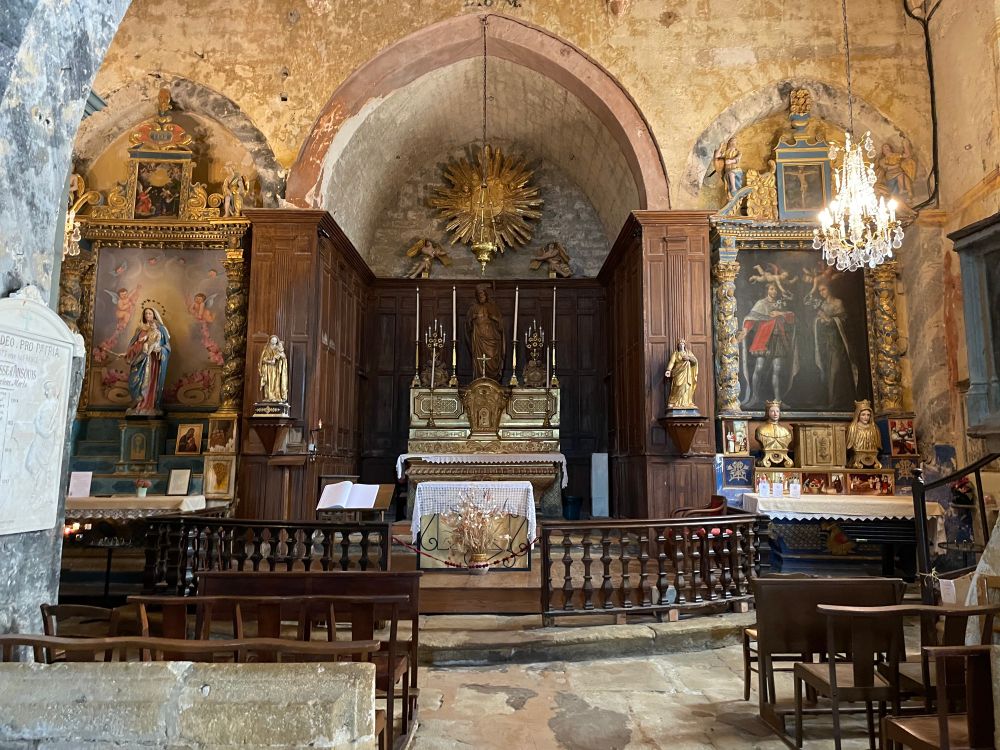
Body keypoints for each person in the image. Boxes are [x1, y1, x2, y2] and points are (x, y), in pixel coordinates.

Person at [740, 282, 797, 409]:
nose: (774, 292)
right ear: (767, 290)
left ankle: (778, 400)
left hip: (778, 339)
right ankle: (755, 397)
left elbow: (792, 317)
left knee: (777, 369)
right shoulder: (761, 304)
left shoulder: (781, 304)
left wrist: (780, 313)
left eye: (775, 289)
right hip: (764, 339)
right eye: (771, 289)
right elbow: (751, 319)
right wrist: (744, 331)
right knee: (759, 367)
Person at [807, 281, 858, 409]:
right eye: (820, 291)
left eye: (823, 289)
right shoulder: (822, 304)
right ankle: (830, 401)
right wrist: (820, 321)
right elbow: (817, 322)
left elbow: (844, 320)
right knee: (827, 371)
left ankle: (837, 400)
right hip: (826, 343)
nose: (822, 293)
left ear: (829, 289)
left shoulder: (837, 303)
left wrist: (829, 319)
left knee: (835, 370)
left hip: (837, 342)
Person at [125, 307, 171, 416]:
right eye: (146, 314)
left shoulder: (161, 329)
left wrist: (160, 350)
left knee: (150, 382)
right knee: (134, 382)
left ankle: (150, 405)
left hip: (154, 362)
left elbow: (167, 347)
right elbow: (133, 345)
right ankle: (138, 405)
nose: (148, 316)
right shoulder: (140, 329)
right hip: (140, 360)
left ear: (154, 315)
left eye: (150, 313)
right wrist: (131, 352)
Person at [467, 284, 505, 382]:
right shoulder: (473, 308)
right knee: (478, 360)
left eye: (482, 294)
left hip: (491, 339)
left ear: (486, 295)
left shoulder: (493, 307)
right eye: (479, 295)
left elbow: (501, 325)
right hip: (478, 339)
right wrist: (471, 319)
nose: (481, 297)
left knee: (492, 357)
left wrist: (494, 318)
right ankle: (479, 379)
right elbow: (467, 327)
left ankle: (493, 380)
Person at [755, 400, 793, 468]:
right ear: (767, 413)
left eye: (777, 411)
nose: (775, 414)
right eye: (772, 411)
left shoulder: (786, 431)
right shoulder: (760, 430)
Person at [664, 338, 699, 409]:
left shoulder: (688, 353)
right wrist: (668, 370)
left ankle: (686, 402)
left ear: (684, 345)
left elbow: (695, 361)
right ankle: (673, 402)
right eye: (680, 344)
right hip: (678, 373)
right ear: (678, 345)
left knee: (687, 386)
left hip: (687, 374)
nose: (681, 345)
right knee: (677, 386)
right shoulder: (676, 354)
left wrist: (689, 358)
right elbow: (672, 362)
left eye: (682, 344)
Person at [846, 399, 882, 468]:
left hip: (872, 452)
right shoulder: (853, 427)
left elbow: (878, 444)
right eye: (863, 415)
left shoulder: (874, 428)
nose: (866, 417)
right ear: (858, 415)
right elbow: (849, 445)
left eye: (868, 415)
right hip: (857, 452)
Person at [258, 335, 289, 403]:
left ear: (277, 341)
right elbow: (262, 359)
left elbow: (284, 357)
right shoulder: (266, 349)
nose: (274, 341)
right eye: (272, 340)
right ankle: (269, 397)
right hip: (268, 369)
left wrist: (281, 357)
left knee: (276, 382)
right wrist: (269, 361)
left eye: (275, 340)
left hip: (276, 369)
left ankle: (276, 396)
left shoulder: (279, 348)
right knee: (269, 383)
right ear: (270, 340)